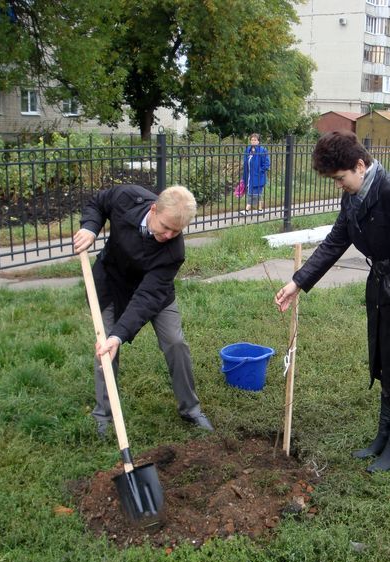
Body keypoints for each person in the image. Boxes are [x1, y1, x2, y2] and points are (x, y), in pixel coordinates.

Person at [274, 131, 390, 473]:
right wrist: (298, 281)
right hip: (383, 292)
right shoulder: (354, 198)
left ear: (360, 165)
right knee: (387, 363)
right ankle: (382, 438)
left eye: (341, 178)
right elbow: (334, 242)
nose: (339, 185)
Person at [73, 184, 213, 438]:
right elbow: (98, 202)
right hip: (111, 280)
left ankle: (190, 409)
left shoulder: (173, 251)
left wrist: (121, 334)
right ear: (153, 209)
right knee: (105, 347)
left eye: (177, 231)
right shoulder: (127, 198)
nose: (170, 235)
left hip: (153, 292)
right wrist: (89, 227)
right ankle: (104, 415)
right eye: (166, 227)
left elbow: (147, 297)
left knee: (175, 342)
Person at [238, 133, 271, 216]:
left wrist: (260, 171)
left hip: (258, 176)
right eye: (252, 140)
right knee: (257, 193)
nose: (253, 141)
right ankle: (260, 210)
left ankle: (246, 210)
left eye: (255, 140)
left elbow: (267, 164)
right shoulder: (248, 150)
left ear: (258, 141)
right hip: (249, 176)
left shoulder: (262, 150)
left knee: (253, 193)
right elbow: (246, 162)